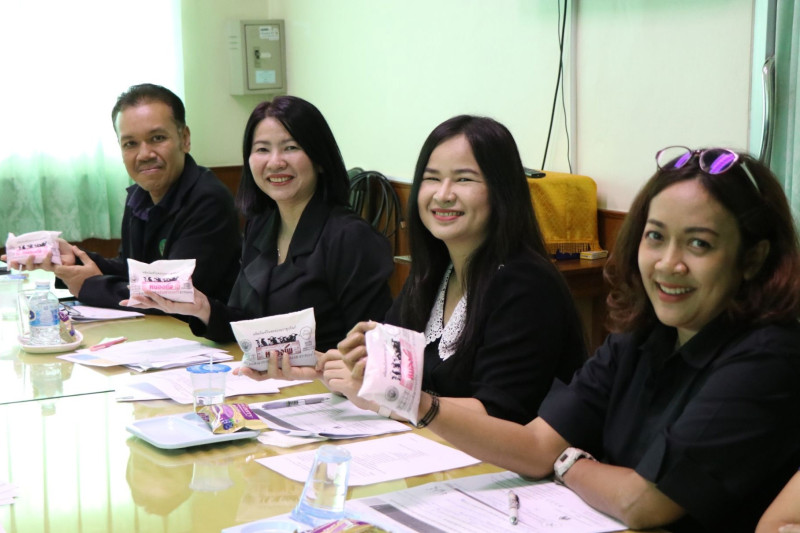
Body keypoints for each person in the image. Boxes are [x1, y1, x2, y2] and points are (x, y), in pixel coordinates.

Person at [338, 146, 800, 532]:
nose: (668, 263)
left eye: (699, 244)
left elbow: (642, 503)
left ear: (752, 258)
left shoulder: (768, 357)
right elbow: (535, 445)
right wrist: (416, 402)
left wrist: (568, 463)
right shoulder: (642, 336)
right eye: (656, 237)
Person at [323, 115, 586, 425]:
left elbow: (500, 416)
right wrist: (348, 365)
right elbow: (390, 374)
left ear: (501, 190)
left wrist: (381, 399)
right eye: (432, 178)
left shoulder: (527, 285)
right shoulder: (433, 272)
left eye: (464, 179)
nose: (443, 194)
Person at [124, 96, 394, 366]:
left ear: (320, 158)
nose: (275, 162)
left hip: (325, 387)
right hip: (267, 382)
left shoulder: (351, 238)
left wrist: (324, 368)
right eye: (262, 149)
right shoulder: (262, 223)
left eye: (290, 148)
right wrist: (203, 308)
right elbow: (250, 327)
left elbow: (371, 355)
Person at [4, 83, 242, 310]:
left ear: (185, 139)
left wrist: (89, 285)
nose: (144, 154)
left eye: (157, 138)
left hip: (200, 334)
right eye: (130, 144)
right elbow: (130, 270)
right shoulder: (139, 195)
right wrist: (72, 259)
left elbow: (174, 294)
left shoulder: (208, 200)